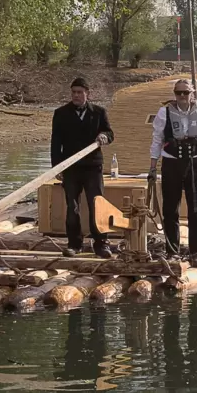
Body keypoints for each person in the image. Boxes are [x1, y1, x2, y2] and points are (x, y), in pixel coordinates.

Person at [148, 79, 197, 267]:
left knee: (196, 209)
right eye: (178, 93)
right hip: (171, 163)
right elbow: (157, 139)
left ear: (192, 93)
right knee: (170, 209)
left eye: (185, 93)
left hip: (195, 163)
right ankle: (172, 250)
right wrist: (152, 167)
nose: (182, 96)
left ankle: (196, 251)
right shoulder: (164, 113)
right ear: (174, 94)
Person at [51, 77, 114, 259]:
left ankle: (101, 244)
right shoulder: (61, 113)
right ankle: (74, 244)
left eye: (80, 92)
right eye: (74, 92)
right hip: (70, 167)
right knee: (73, 207)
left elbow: (110, 133)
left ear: (88, 93)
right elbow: (56, 144)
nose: (76, 96)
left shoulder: (99, 112)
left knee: (97, 205)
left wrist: (104, 136)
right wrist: (57, 168)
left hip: (93, 166)